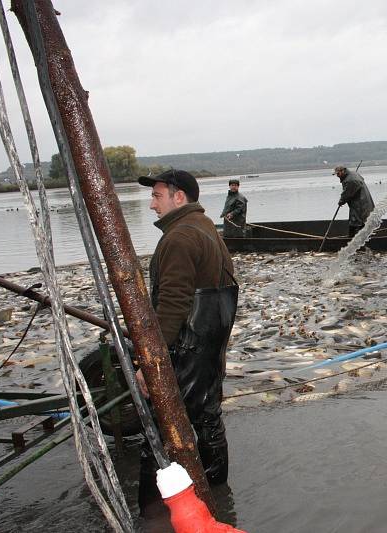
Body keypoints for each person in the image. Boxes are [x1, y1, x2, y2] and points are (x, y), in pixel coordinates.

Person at [136, 169, 239, 512]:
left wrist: (151, 362)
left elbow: (173, 304)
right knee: (208, 417)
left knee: (160, 429)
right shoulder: (205, 228)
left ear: (179, 197)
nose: (152, 204)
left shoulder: (179, 238)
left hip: (188, 347)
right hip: (209, 345)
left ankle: (154, 511)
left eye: (157, 196)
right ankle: (216, 493)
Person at [334, 165, 375, 238]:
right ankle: (356, 239)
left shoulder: (350, 180)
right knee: (360, 222)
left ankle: (353, 240)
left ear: (343, 171)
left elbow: (347, 193)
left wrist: (341, 202)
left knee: (356, 222)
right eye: (336, 174)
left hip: (360, 205)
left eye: (338, 174)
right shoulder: (354, 174)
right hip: (362, 203)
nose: (337, 176)